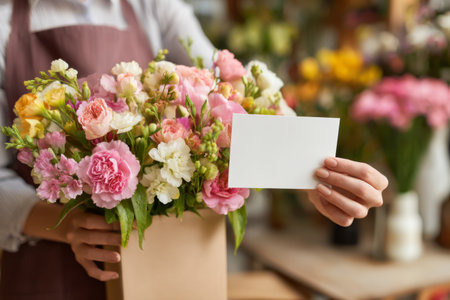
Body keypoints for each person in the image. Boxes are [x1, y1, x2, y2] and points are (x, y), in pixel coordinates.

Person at [0, 0, 388, 299]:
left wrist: (309, 172)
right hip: (45, 265)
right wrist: (67, 226)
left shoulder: (153, 7)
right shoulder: (5, 24)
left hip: (158, 261)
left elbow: (228, 97)